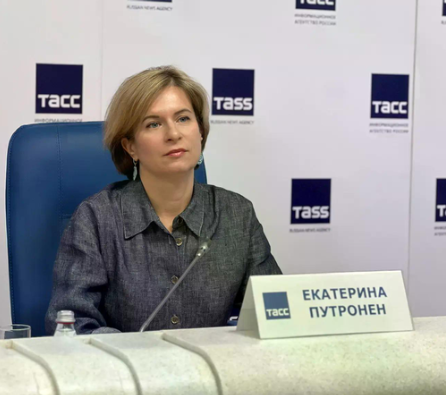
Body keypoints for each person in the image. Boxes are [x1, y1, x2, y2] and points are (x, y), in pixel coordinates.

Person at [45, 66, 281, 334]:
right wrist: (144, 355)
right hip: (127, 362)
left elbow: (276, 315)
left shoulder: (236, 214)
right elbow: (71, 325)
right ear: (130, 147)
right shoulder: (97, 218)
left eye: (183, 118)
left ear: (200, 132)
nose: (173, 134)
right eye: (153, 124)